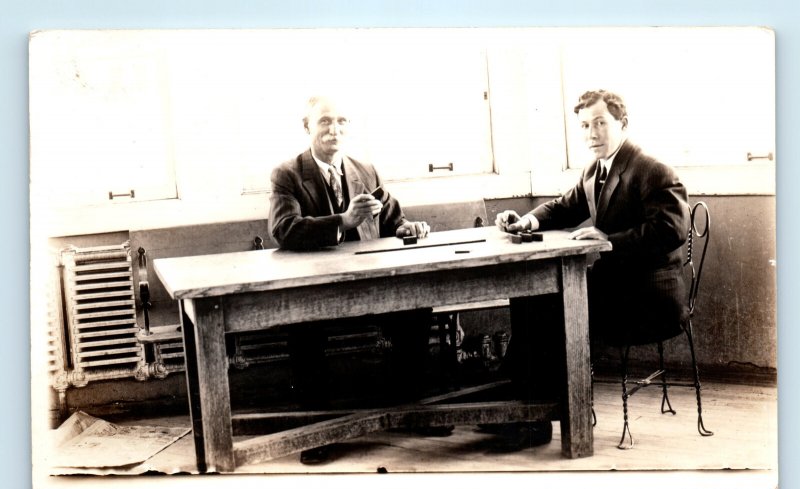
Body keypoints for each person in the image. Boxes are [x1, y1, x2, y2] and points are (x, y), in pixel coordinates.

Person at [492, 89, 691, 448]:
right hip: (618, 287)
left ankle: (536, 421)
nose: (591, 134)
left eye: (600, 123)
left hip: (648, 297)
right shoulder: (596, 168)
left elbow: (673, 229)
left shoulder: (651, 169)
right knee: (531, 299)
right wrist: (527, 222)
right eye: (584, 125)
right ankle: (517, 407)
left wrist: (609, 238)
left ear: (623, 124)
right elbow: (562, 206)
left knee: (548, 308)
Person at [269, 95, 445, 465]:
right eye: (325, 122)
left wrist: (405, 227)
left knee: (415, 309)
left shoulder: (365, 169)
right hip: (315, 294)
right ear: (307, 127)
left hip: (370, 287)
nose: (335, 129)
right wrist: (342, 223)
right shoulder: (287, 174)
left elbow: (391, 216)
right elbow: (283, 229)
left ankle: (410, 411)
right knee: (303, 331)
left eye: (342, 121)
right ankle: (315, 432)